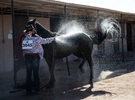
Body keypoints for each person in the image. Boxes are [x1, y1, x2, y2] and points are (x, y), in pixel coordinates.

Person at [20, 24, 55, 95]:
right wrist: (53, 38)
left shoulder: (24, 37)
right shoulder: (36, 38)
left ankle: (28, 91)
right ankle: (37, 90)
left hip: (27, 57)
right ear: (32, 30)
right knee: (36, 74)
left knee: (28, 74)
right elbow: (44, 41)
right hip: (35, 56)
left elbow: (21, 44)